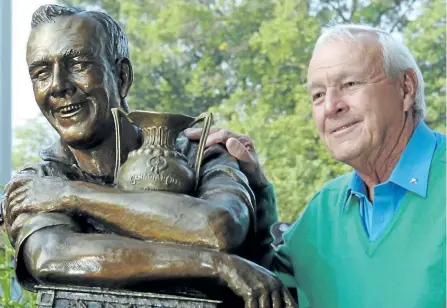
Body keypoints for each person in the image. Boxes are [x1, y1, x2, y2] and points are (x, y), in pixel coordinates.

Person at [1, 4, 295, 307]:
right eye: (41, 73)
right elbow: (51, 255)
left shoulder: (199, 154)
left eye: (77, 64)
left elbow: (218, 228)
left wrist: (72, 195)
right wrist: (216, 265)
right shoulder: (40, 181)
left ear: (122, 75)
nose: (58, 85)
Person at [185, 24, 446, 308]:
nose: (331, 106)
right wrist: (252, 184)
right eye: (318, 94)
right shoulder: (326, 208)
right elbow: (261, 284)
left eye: (350, 84)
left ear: (406, 89)